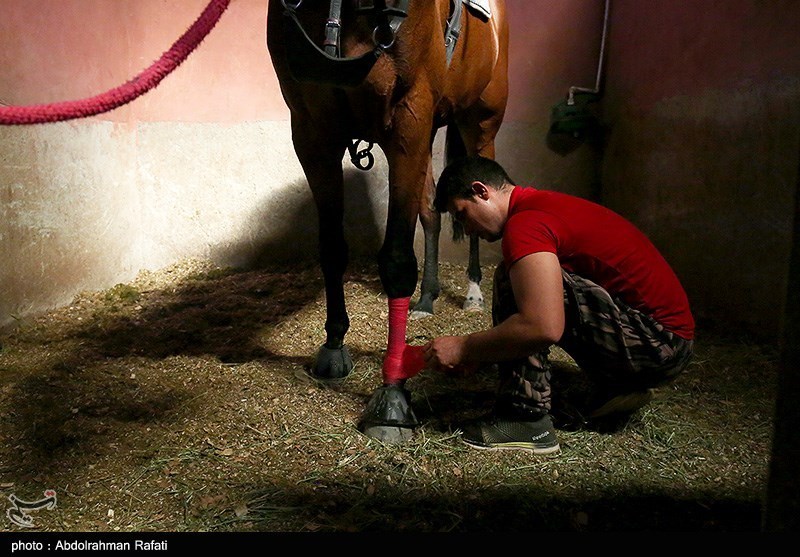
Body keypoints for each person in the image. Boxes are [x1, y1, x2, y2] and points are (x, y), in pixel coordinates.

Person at [422, 156, 695, 455]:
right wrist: (487, 353)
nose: (468, 231)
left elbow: (541, 327)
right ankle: (615, 386)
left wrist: (464, 347)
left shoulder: (525, 225)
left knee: (512, 282)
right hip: (665, 344)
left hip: (658, 347)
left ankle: (524, 420)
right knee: (527, 280)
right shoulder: (542, 207)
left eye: (462, 215)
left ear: (481, 191)